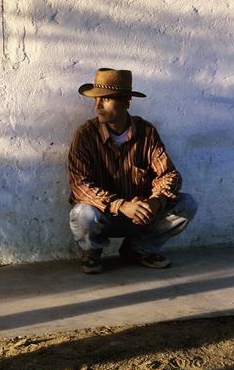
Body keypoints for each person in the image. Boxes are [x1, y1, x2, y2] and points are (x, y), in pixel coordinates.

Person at [68, 67, 198, 274]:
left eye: (106, 99)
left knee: (187, 204)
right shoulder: (85, 135)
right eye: (95, 99)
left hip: (142, 215)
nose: (98, 105)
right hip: (105, 216)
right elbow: (80, 186)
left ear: (127, 101)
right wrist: (121, 205)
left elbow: (169, 175)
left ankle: (138, 249)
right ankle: (92, 252)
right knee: (82, 212)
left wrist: (155, 202)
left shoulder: (146, 131)